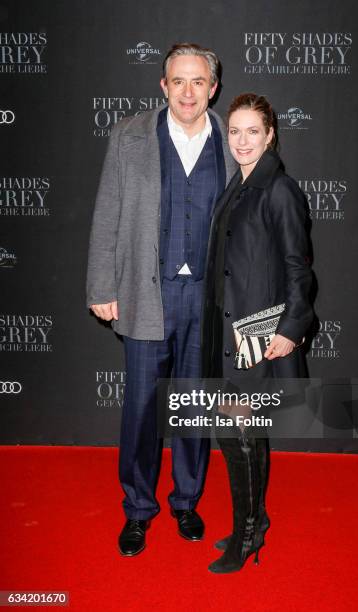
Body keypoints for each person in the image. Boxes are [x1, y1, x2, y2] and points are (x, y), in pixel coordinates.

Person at [86, 43, 236, 556]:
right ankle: (138, 510)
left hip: (208, 299)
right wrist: (101, 286)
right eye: (178, 81)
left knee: (195, 405)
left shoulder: (233, 140)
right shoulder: (129, 136)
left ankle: (187, 501)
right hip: (147, 294)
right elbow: (107, 212)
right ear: (163, 86)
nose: (188, 92)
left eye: (198, 82)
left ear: (212, 87)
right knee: (143, 408)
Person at [201, 93, 313, 573]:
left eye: (253, 131)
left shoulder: (279, 189)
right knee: (237, 432)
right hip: (230, 332)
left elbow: (299, 269)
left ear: (270, 136)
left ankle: (247, 538)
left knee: (241, 432)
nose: (242, 141)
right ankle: (255, 521)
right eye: (235, 131)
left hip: (259, 334)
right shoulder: (238, 185)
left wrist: (290, 329)